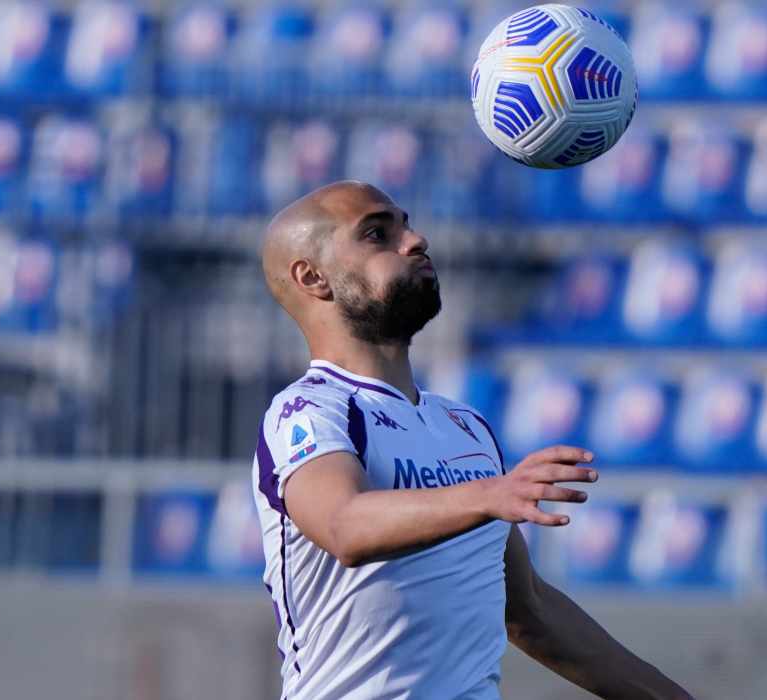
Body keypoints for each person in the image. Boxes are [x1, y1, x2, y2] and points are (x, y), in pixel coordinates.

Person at [253, 180, 693, 700]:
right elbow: (343, 525)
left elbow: (529, 611)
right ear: (313, 277)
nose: (415, 241)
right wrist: (489, 494)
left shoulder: (463, 426)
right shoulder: (309, 410)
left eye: (407, 224)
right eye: (377, 233)